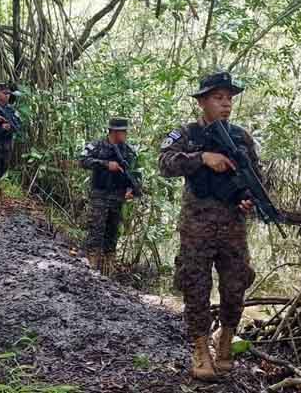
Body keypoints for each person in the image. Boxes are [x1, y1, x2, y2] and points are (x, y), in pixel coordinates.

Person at [158, 71, 259, 380]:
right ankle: (201, 349)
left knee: (235, 284)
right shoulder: (186, 134)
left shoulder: (241, 137)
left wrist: (248, 199)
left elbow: (256, 178)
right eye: (218, 98)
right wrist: (202, 157)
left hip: (233, 227)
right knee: (196, 286)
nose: (226, 104)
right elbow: (165, 163)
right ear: (202, 102)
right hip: (197, 226)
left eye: (229, 98)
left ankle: (226, 340)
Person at [79, 118, 141, 275]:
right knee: (96, 230)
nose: (126, 134)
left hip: (118, 196)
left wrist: (130, 190)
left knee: (112, 233)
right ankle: (90, 268)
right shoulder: (97, 146)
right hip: (100, 194)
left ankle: (108, 270)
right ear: (114, 131)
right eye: (123, 131)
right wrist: (105, 164)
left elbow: (133, 174)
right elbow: (83, 160)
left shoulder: (128, 151)